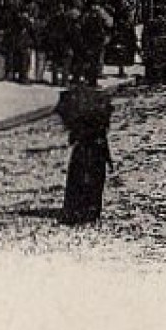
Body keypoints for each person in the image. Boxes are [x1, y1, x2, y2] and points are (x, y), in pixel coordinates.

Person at [57, 84, 113, 225]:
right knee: (94, 184)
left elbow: (73, 137)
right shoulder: (99, 131)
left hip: (83, 156)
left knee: (79, 182)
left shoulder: (81, 134)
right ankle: (91, 211)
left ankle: (76, 210)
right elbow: (105, 148)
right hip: (96, 157)